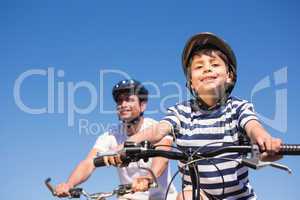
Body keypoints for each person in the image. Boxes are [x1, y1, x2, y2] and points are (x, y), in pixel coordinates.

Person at [105, 33, 283, 199]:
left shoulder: (238, 108)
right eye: (199, 67)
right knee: (185, 196)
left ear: (229, 76)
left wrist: (265, 141)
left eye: (214, 64)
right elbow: (158, 131)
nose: (207, 69)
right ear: (191, 82)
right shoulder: (180, 113)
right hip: (198, 194)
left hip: (238, 197)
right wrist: (124, 146)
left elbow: (253, 128)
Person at [54, 79, 177, 200]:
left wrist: (147, 178)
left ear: (142, 105)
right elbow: (88, 163)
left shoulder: (156, 129)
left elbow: (162, 159)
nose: (123, 104)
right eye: (119, 101)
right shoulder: (110, 136)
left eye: (129, 99)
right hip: (130, 197)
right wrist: (69, 184)